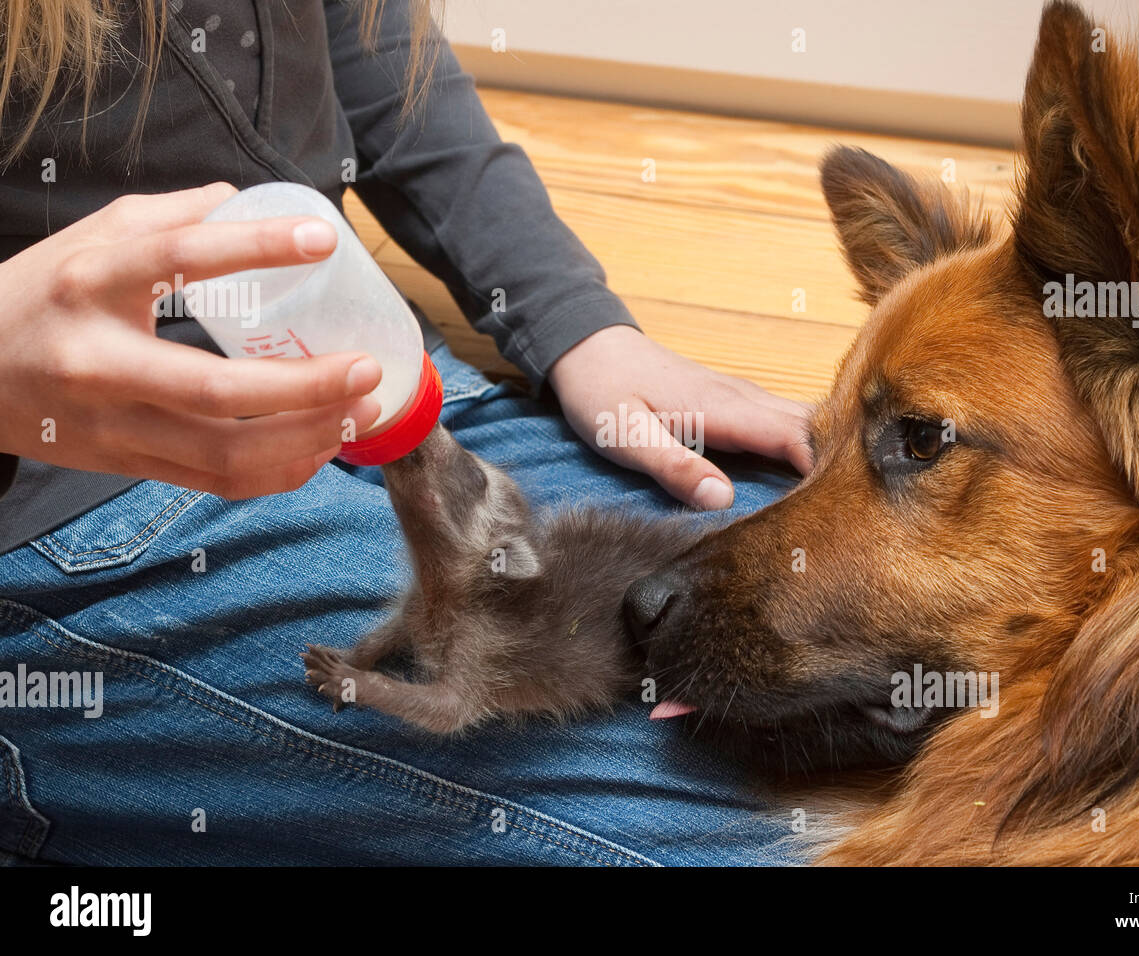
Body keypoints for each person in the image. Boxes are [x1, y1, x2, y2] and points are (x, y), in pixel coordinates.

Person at [0, 1, 810, 864]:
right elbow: (453, 694)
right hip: (81, 479)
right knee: (765, 835)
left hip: (371, 362)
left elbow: (370, 40)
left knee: (851, 637)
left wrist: (575, 323)